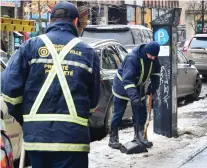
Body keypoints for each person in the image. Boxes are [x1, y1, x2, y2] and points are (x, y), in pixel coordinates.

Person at [1, 2, 100, 168]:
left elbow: (9, 89)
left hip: (37, 140)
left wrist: (24, 117)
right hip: (73, 140)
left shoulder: (30, 47)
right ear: (75, 21)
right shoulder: (87, 52)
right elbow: (94, 99)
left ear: (50, 20)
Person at [108, 41, 161, 149]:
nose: (152, 58)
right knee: (119, 113)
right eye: (150, 55)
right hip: (122, 87)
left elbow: (156, 72)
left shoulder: (154, 58)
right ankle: (113, 139)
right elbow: (127, 80)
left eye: (154, 56)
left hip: (138, 86)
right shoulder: (132, 59)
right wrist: (134, 97)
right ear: (146, 51)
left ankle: (139, 137)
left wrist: (154, 85)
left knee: (140, 113)